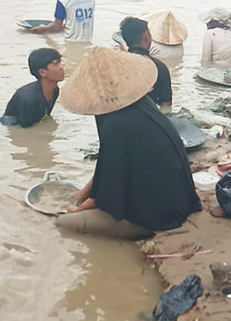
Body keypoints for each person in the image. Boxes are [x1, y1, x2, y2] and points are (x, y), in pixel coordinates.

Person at [56, 48, 201, 240]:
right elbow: (109, 167)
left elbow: (109, 191)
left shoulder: (116, 125)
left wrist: (78, 209)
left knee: (62, 223)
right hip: (180, 200)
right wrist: (83, 192)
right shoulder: (143, 105)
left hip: (154, 217)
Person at [0, 48, 64, 128]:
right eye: (56, 64)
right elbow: (26, 131)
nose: (61, 67)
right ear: (42, 72)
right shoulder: (28, 98)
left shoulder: (55, 90)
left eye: (60, 62)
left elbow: (45, 116)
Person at [120, 17, 172, 107]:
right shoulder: (159, 67)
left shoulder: (116, 65)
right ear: (146, 36)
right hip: (149, 118)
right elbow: (166, 106)